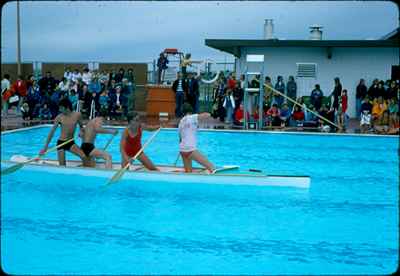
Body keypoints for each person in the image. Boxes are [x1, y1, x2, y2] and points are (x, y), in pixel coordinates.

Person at [39, 98, 86, 166]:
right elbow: (51, 133)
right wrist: (45, 148)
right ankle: (46, 164)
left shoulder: (77, 115)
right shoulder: (59, 117)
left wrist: (81, 132)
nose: (59, 110)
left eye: (61, 108)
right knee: (62, 166)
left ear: (67, 107)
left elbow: (82, 127)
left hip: (70, 142)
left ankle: (76, 168)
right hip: (61, 143)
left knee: (84, 157)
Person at [178, 103, 215, 173]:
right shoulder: (192, 117)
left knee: (188, 172)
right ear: (191, 111)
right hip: (190, 150)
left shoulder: (181, 122)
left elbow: (180, 138)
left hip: (182, 150)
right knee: (211, 167)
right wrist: (213, 113)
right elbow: (205, 115)